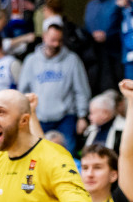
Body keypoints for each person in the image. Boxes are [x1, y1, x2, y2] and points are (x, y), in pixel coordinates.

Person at [19, 24, 91, 154]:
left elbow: (81, 90)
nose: (56, 44)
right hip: (39, 118)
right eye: (53, 40)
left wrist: (82, 116)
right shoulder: (31, 60)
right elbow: (23, 92)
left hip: (66, 119)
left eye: (59, 40)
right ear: (44, 37)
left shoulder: (72, 60)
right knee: (38, 156)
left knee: (67, 156)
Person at [84, 0, 124, 94]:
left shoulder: (119, 2)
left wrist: (108, 36)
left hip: (117, 58)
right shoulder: (90, 5)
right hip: (96, 60)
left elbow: (127, 30)